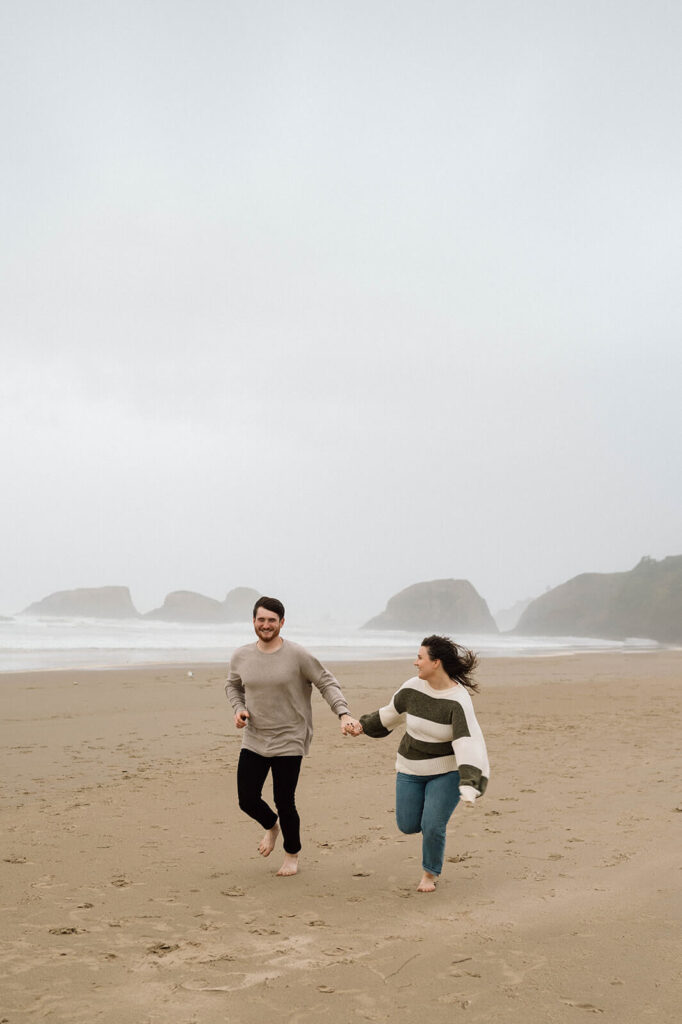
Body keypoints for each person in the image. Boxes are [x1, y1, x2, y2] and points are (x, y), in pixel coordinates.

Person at [225, 596, 360, 877]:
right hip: (255, 737)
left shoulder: (297, 655)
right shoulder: (241, 656)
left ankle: (291, 854)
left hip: (290, 737)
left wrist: (343, 713)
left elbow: (326, 682)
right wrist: (239, 709)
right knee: (247, 799)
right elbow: (233, 686)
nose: (266, 625)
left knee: (284, 799)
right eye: (261, 620)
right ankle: (272, 826)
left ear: (281, 623)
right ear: (253, 621)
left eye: (272, 620)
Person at [349, 635, 489, 893]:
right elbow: (390, 714)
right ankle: (428, 821)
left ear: (436, 663)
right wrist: (361, 726)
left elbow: (467, 742)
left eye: (420, 657)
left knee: (432, 825)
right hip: (410, 768)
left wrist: (470, 782)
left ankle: (429, 873)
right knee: (408, 824)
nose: (415, 663)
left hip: (446, 772)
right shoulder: (412, 687)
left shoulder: (458, 700)